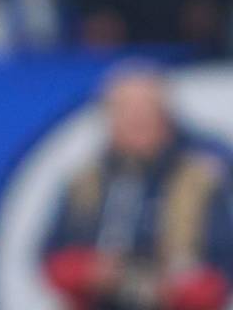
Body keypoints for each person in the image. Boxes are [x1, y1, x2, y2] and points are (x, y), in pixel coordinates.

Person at [42, 66, 233, 310]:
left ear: (165, 118)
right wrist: (93, 271)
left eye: (146, 113)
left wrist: (170, 287)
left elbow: (221, 273)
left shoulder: (200, 180)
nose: (137, 122)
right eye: (126, 113)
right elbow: (53, 260)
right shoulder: (86, 182)